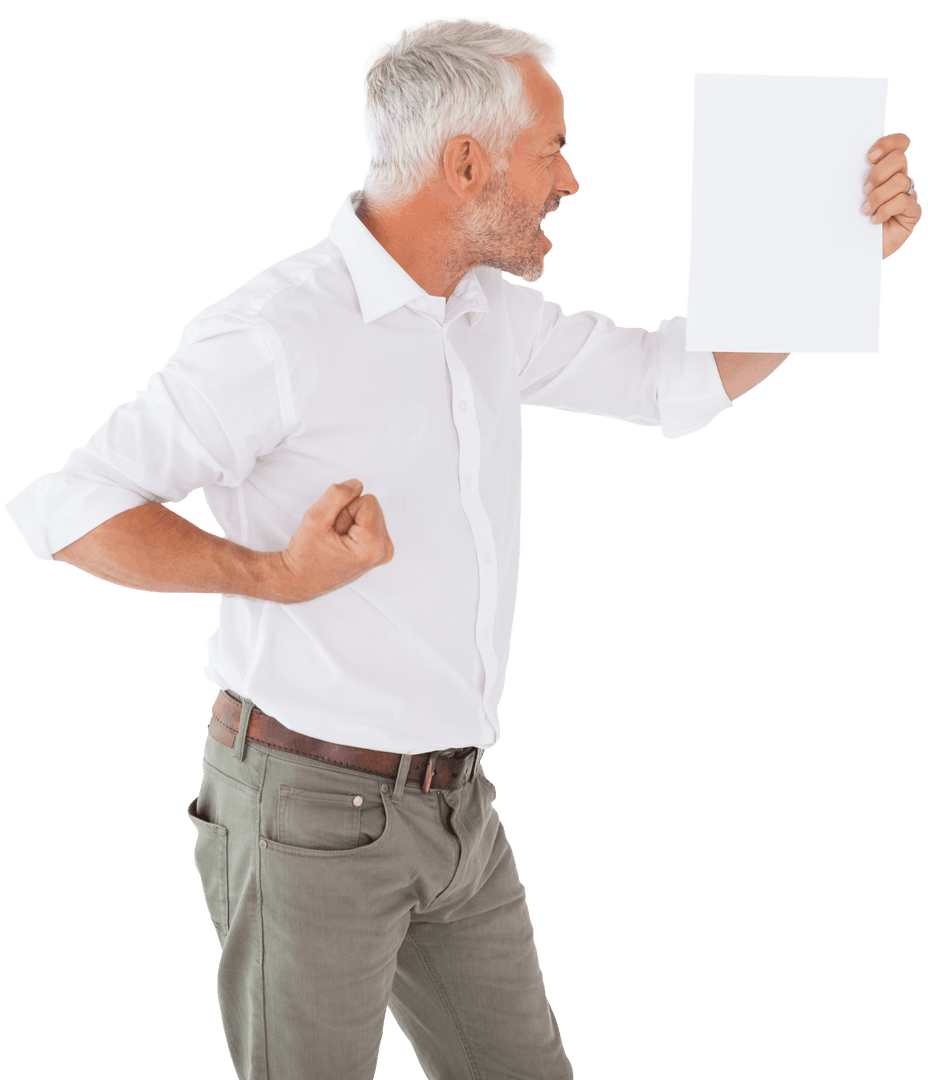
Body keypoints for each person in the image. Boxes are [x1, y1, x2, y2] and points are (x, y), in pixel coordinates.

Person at [4, 15, 920, 1080]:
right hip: (304, 813)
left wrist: (839, 255)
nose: (568, 179)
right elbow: (68, 509)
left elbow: (671, 378)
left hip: (456, 808)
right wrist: (268, 576)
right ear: (467, 163)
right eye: (553, 148)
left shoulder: (483, 313)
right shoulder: (275, 331)